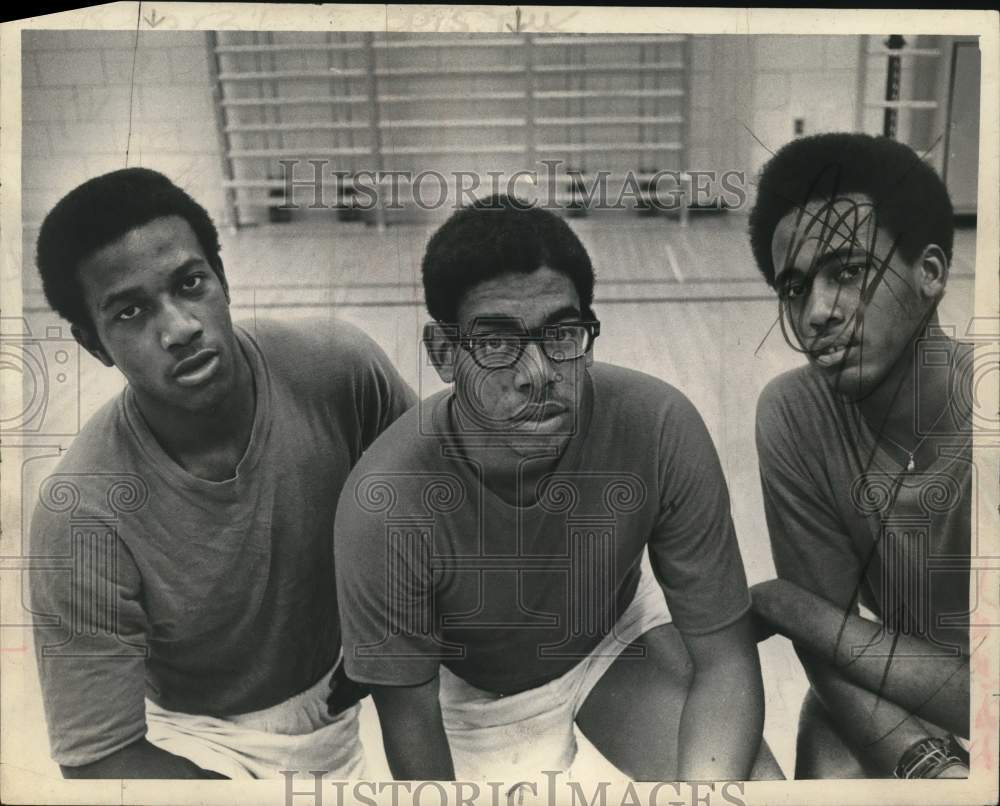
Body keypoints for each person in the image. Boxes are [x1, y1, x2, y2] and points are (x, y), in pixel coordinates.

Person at [334, 195, 780, 783]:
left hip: (611, 636)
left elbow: (725, 661)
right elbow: (414, 741)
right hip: (470, 690)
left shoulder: (659, 424)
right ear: (444, 353)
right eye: (496, 342)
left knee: (755, 795)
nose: (538, 372)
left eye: (562, 334)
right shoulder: (384, 503)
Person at [28, 168, 415, 779]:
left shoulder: (337, 369)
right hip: (193, 741)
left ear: (223, 280)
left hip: (335, 707)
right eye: (130, 311)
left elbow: (441, 506)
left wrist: (386, 642)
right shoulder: (82, 511)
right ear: (93, 344)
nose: (179, 327)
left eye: (190, 283)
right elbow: (100, 756)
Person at [748, 133, 973, 779]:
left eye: (848, 271)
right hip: (889, 680)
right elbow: (828, 643)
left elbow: (816, 620)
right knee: (830, 770)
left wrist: (783, 603)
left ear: (930, 272)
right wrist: (924, 766)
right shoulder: (794, 413)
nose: (817, 312)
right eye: (794, 288)